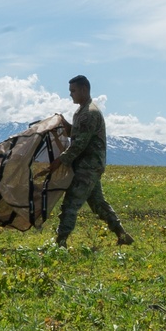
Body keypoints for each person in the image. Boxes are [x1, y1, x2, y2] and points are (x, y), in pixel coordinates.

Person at [51, 75, 133, 248]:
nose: (71, 94)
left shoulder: (89, 114)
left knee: (70, 204)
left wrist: (60, 161)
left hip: (87, 167)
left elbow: (79, 144)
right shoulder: (82, 112)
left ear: (84, 90)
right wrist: (66, 126)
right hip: (89, 166)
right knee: (98, 204)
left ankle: (61, 243)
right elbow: (79, 135)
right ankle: (122, 235)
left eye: (73, 91)